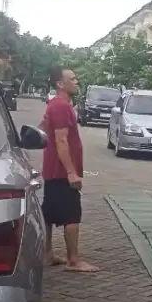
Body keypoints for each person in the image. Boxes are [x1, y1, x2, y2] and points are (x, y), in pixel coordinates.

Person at [41, 66, 99, 272]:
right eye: (72, 79)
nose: (76, 81)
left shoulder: (57, 105)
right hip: (60, 171)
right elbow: (61, 140)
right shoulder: (60, 106)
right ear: (59, 83)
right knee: (72, 215)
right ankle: (73, 260)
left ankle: (47, 254)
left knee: (48, 213)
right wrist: (71, 172)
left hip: (53, 170)